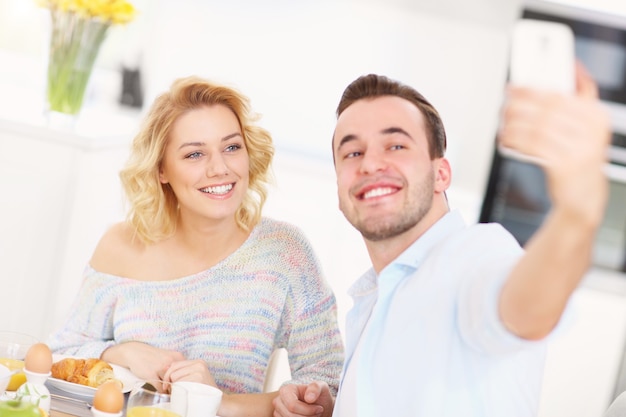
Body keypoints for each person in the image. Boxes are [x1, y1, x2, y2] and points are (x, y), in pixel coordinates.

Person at [273, 64, 611, 417]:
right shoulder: (373, 300)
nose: (371, 164)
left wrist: (576, 213)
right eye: (352, 153)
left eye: (396, 145)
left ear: (441, 175)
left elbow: (524, 309)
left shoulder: (474, 254)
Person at [47, 76, 344, 417]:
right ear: (161, 169)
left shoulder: (284, 253)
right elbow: (58, 354)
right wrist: (123, 352)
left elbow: (329, 384)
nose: (220, 168)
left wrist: (216, 400)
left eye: (232, 147)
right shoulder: (121, 245)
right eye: (194, 154)